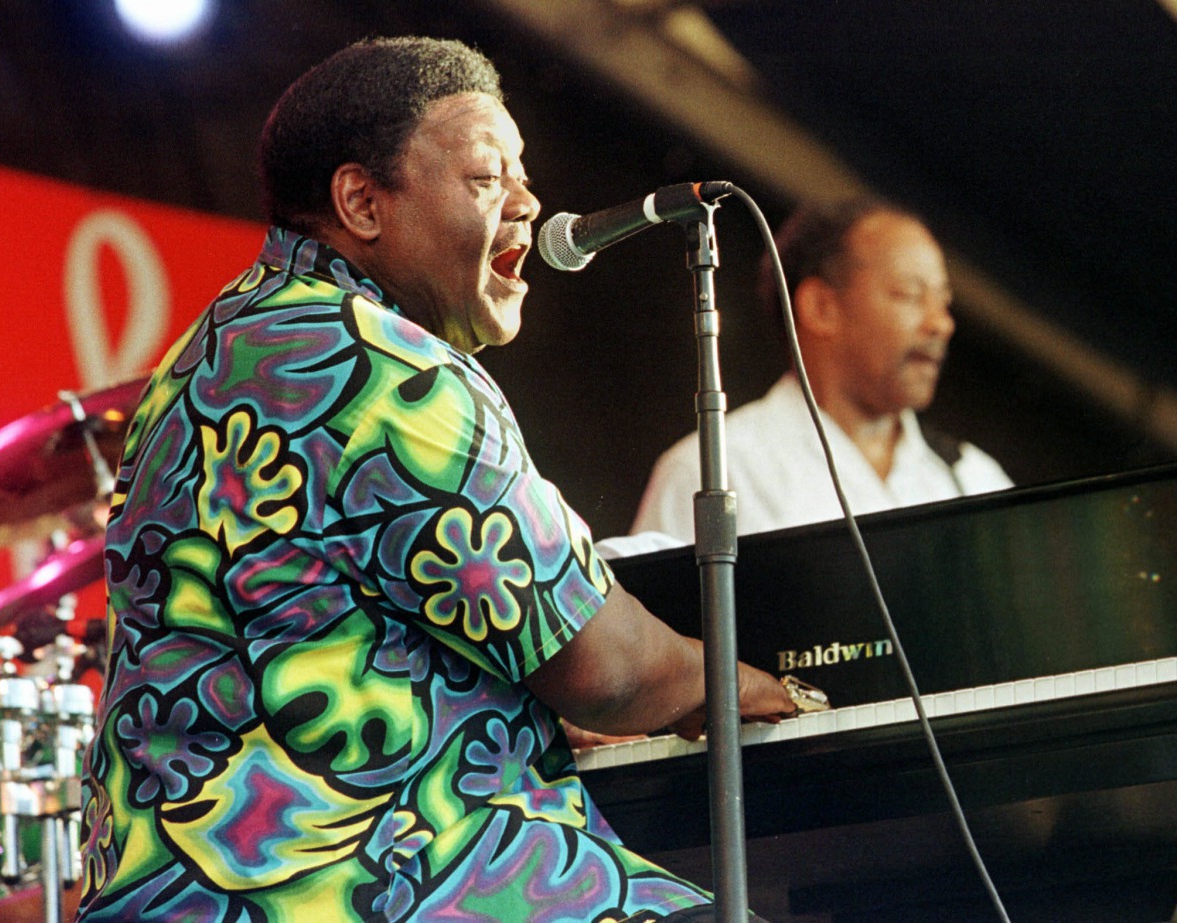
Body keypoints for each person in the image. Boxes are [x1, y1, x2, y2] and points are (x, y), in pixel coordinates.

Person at [76, 36, 796, 923]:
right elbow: (606, 667)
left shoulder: (205, 354)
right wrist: (732, 678)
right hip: (365, 885)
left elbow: (315, 632)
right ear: (362, 202)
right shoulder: (384, 367)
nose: (529, 204)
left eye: (523, 175)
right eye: (488, 178)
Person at [632, 197, 1013, 543]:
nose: (941, 324)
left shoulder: (975, 479)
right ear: (820, 307)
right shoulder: (716, 472)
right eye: (910, 295)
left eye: (944, 302)